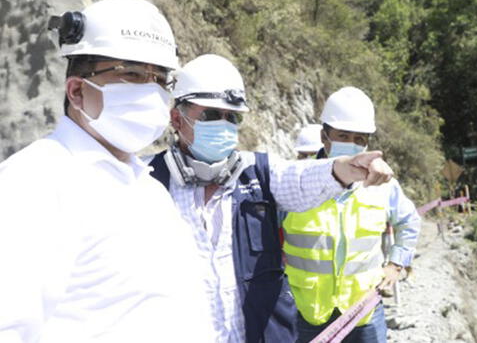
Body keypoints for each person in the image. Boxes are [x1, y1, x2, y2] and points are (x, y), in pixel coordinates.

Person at [0, 0, 216, 343]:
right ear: (76, 90)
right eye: (131, 73)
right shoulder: (35, 182)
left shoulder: (148, 187)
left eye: (160, 79)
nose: (152, 90)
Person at [148, 54, 394, 343]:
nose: (225, 126)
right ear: (177, 118)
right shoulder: (147, 182)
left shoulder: (258, 174)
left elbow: (300, 178)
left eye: (233, 117)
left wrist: (344, 169)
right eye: (212, 115)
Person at [282, 87, 421, 343]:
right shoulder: (297, 179)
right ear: (325, 137)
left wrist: (395, 264)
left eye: (359, 138)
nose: (352, 144)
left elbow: (409, 221)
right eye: (343, 135)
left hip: (363, 310)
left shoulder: (384, 185)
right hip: (306, 311)